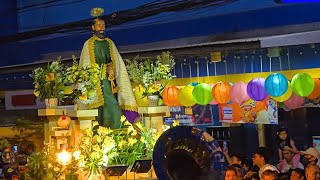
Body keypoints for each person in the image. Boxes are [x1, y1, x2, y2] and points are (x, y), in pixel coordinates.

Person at [79, 15, 139, 128]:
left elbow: (116, 61)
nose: (102, 28)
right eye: (99, 25)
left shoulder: (109, 43)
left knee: (112, 102)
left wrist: (111, 67)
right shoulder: (88, 44)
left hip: (108, 80)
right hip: (95, 82)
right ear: (93, 27)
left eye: (103, 25)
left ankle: (117, 128)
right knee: (101, 107)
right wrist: (102, 69)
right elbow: (86, 66)